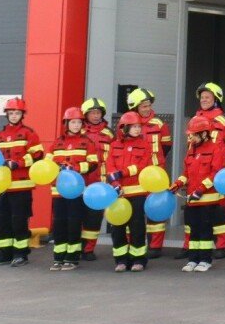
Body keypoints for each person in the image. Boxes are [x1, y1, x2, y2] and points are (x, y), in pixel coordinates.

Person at [181, 82, 225, 260]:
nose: (204, 100)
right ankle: (189, 246)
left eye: (208, 97)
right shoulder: (194, 119)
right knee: (192, 213)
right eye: (202, 97)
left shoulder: (224, 120)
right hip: (196, 170)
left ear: (216, 99)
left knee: (220, 212)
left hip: (217, 173)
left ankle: (222, 245)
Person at [0, 97, 45, 268]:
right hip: (4, 186)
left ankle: (21, 254)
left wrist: (17, 163)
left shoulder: (29, 133)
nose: (14, 116)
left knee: (19, 221)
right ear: (6, 114)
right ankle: (4, 253)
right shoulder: (0, 135)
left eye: (17, 113)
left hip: (22, 186)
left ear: (22, 114)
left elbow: (38, 155)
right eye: (11, 113)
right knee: (2, 220)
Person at [105, 110, 159, 272]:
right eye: (134, 126)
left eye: (138, 126)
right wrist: (115, 183)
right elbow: (109, 167)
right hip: (117, 193)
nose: (137, 129)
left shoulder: (144, 145)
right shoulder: (114, 145)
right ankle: (121, 260)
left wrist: (123, 173)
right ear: (124, 128)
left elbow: (143, 166)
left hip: (137, 193)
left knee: (137, 227)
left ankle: (139, 260)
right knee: (117, 227)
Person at [47, 107, 100, 271]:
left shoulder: (87, 142)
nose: (76, 125)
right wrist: (58, 167)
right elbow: (47, 164)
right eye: (73, 122)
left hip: (77, 190)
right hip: (58, 191)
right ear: (66, 123)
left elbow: (93, 164)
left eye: (79, 122)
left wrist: (75, 168)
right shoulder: (57, 143)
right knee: (59, 224)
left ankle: (72, 257)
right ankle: (58, 257)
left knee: (74, 223)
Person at [173, 114, 224, 272]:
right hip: (192, 199)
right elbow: (186, 173)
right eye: (190, 135)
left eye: (194, 135)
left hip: (208, 199)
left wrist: (201, 190)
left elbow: (216, 174)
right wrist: (177, 183)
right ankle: (193, 259)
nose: (191, 138)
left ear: (204, 134)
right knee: (192, 229)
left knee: (205, 230)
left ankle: (205, 260)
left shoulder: (216, 148)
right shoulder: (191, 150)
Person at [127, 87, 172, 257]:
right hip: (135, 175)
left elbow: (166, 146)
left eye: (148, 105)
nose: (147, 109)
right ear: (135, 108)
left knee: (156, 209)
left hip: (155, 174)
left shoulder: (159, 124)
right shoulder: (129, 124)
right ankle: (135, 245)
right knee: (135, 211)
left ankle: (155, 246)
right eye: (143, 106)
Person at [78, 97, 114, 262]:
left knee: (94, 217)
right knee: (78, 216)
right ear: (85, 114)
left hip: (100, 182)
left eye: (98, 112)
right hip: (81, 181)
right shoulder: (79, 131)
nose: (95, 115)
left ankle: (88, 249)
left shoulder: (109, 133)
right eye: (92, 112)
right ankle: (76, 246)